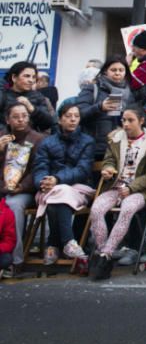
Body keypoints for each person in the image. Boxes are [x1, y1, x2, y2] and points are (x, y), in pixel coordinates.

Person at [87, 106, 146, 280]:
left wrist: (131, 188)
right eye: (123, 120)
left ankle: (105, 255)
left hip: (140, 190)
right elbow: (109, 160)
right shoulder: (116, 139)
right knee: (96, 209)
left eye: (130, 120)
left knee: (127, 208)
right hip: (116, 186)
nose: (126, 124)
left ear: (142, 121)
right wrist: (108, 169)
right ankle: (102, 253)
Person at [32, 103, 95, 265]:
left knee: (60, 192)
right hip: (51, 188)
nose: (73, 119)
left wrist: (57, 180)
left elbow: (83, 170)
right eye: (68, 116)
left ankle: (53, 243)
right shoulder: (47, 142)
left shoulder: (87, 141)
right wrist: (43, 182)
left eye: (76, 116)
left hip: (78, 187)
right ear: (59, 120)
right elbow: (40, 167)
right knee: (56, 197)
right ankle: (68, 242)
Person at [0, 103, 46, 276]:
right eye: (16, 117)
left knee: (13, 206)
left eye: (24, 116)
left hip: (25, 190)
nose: (20, 120)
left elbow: (39, 169)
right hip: (2, 187)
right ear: (7, 120)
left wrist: (22, 186)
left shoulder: (38, 139)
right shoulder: (2, 137)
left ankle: (15, 260)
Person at [77, 56, 133, 157]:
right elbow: (79, 114)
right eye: (113, 70)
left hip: (122, 148)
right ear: (105, 71)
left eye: (121, 70)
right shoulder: (93, 88)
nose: (117, 73)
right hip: (95, 148)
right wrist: (100, 107)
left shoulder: (130, 92)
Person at [1, 62, 56, 134]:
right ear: (14, 77)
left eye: (33, 77)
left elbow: (48, 123)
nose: (31, 80)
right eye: (27, 76)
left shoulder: (38, 97)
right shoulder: (3, 95)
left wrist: (32, 109)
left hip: (30, 141)